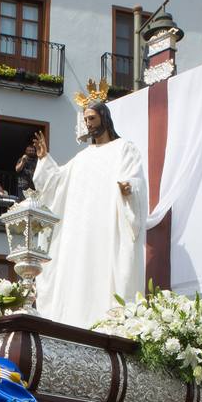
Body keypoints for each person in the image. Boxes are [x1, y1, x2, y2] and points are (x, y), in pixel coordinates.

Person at [31, 100, 147, 328]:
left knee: (105, 276)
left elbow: (136, 180)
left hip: (107, 229)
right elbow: (55, 183)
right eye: (85, 120)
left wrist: (129, 188)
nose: (88, 124)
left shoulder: (124, 148)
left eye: (92, 118)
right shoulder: (82, 158)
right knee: (77, 274)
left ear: (104, 118)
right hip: (80, 231)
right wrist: (44, 159)